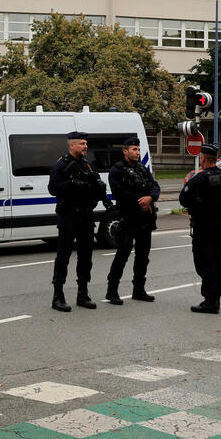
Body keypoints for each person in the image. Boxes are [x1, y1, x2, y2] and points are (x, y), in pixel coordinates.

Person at [47, 131, 107, 312]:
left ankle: (83, 294)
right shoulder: (62, 166)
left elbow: (97, 186)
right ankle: (58, 296)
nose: (85, 147)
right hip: (69, 216)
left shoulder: (88, 166)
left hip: (86, 216)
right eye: (81, 144)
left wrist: (97, 188)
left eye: (86, 144)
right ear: (71, 145)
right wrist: (73, 184)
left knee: (86, 257)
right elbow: (53, 189)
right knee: (63, 257)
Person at [178, 144, 221, 314]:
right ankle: (216, 297)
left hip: (203, 226)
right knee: (217, 260)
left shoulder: (199, 179)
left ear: (203, 159)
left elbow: (183, 199)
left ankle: (210, 300)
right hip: (220, 226)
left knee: (203, 262)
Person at [106, 137, 160, 304]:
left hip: (145, 220)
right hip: (128, 218)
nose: (137, 152)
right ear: (125, 151)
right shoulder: (117, 170)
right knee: (122, 255)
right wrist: (142, 202)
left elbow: (155, 186)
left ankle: (139, 289)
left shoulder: (143, 169)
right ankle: (112, 290)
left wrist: (150, 198)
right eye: (134, 149)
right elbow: (120, 194)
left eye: (138, 149)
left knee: (143, 256)